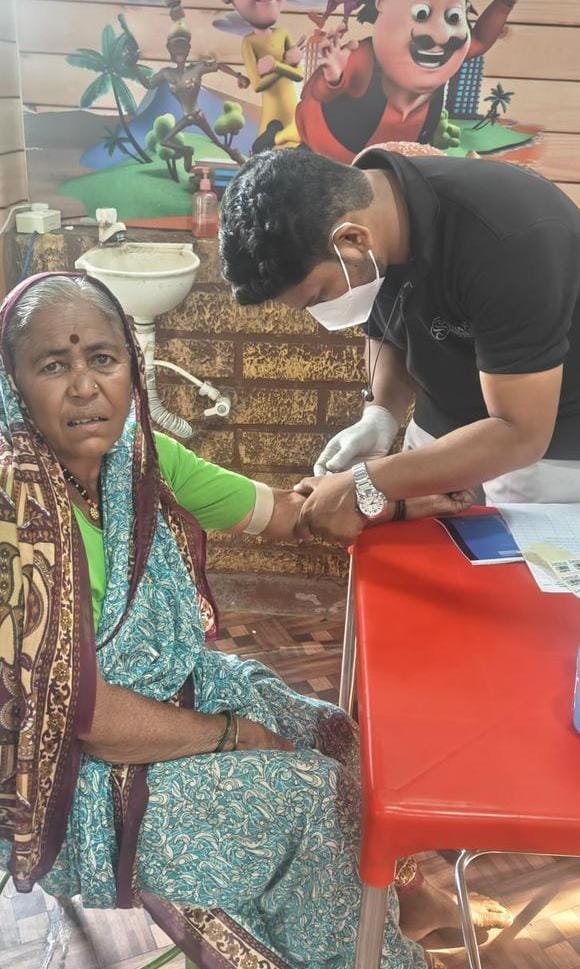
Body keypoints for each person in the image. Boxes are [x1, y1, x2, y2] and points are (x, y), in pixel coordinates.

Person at [0, 272, 482, 968]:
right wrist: (228, 735)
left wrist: (393, 499)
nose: (84, 386)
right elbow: (87, 716)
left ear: (130, 367)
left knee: (332, 733)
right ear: (14, 381)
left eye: (101, 358)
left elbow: (285, 511)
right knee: (308, 798)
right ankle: (360, 951)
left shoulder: (142, 456)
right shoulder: (17, 518)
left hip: (170, 689)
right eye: (54, 365)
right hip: (79, 782)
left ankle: (382, 908)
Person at [220, 147, 580, 546]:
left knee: (513, 594)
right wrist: (381, 414)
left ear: (352, 239)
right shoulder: (371, 209)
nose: (322, 312)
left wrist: (364, 482)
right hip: (442, 429)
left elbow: (521, 433)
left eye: (320, 295)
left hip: (545, 451)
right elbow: (387, 324)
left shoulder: (511, 238)